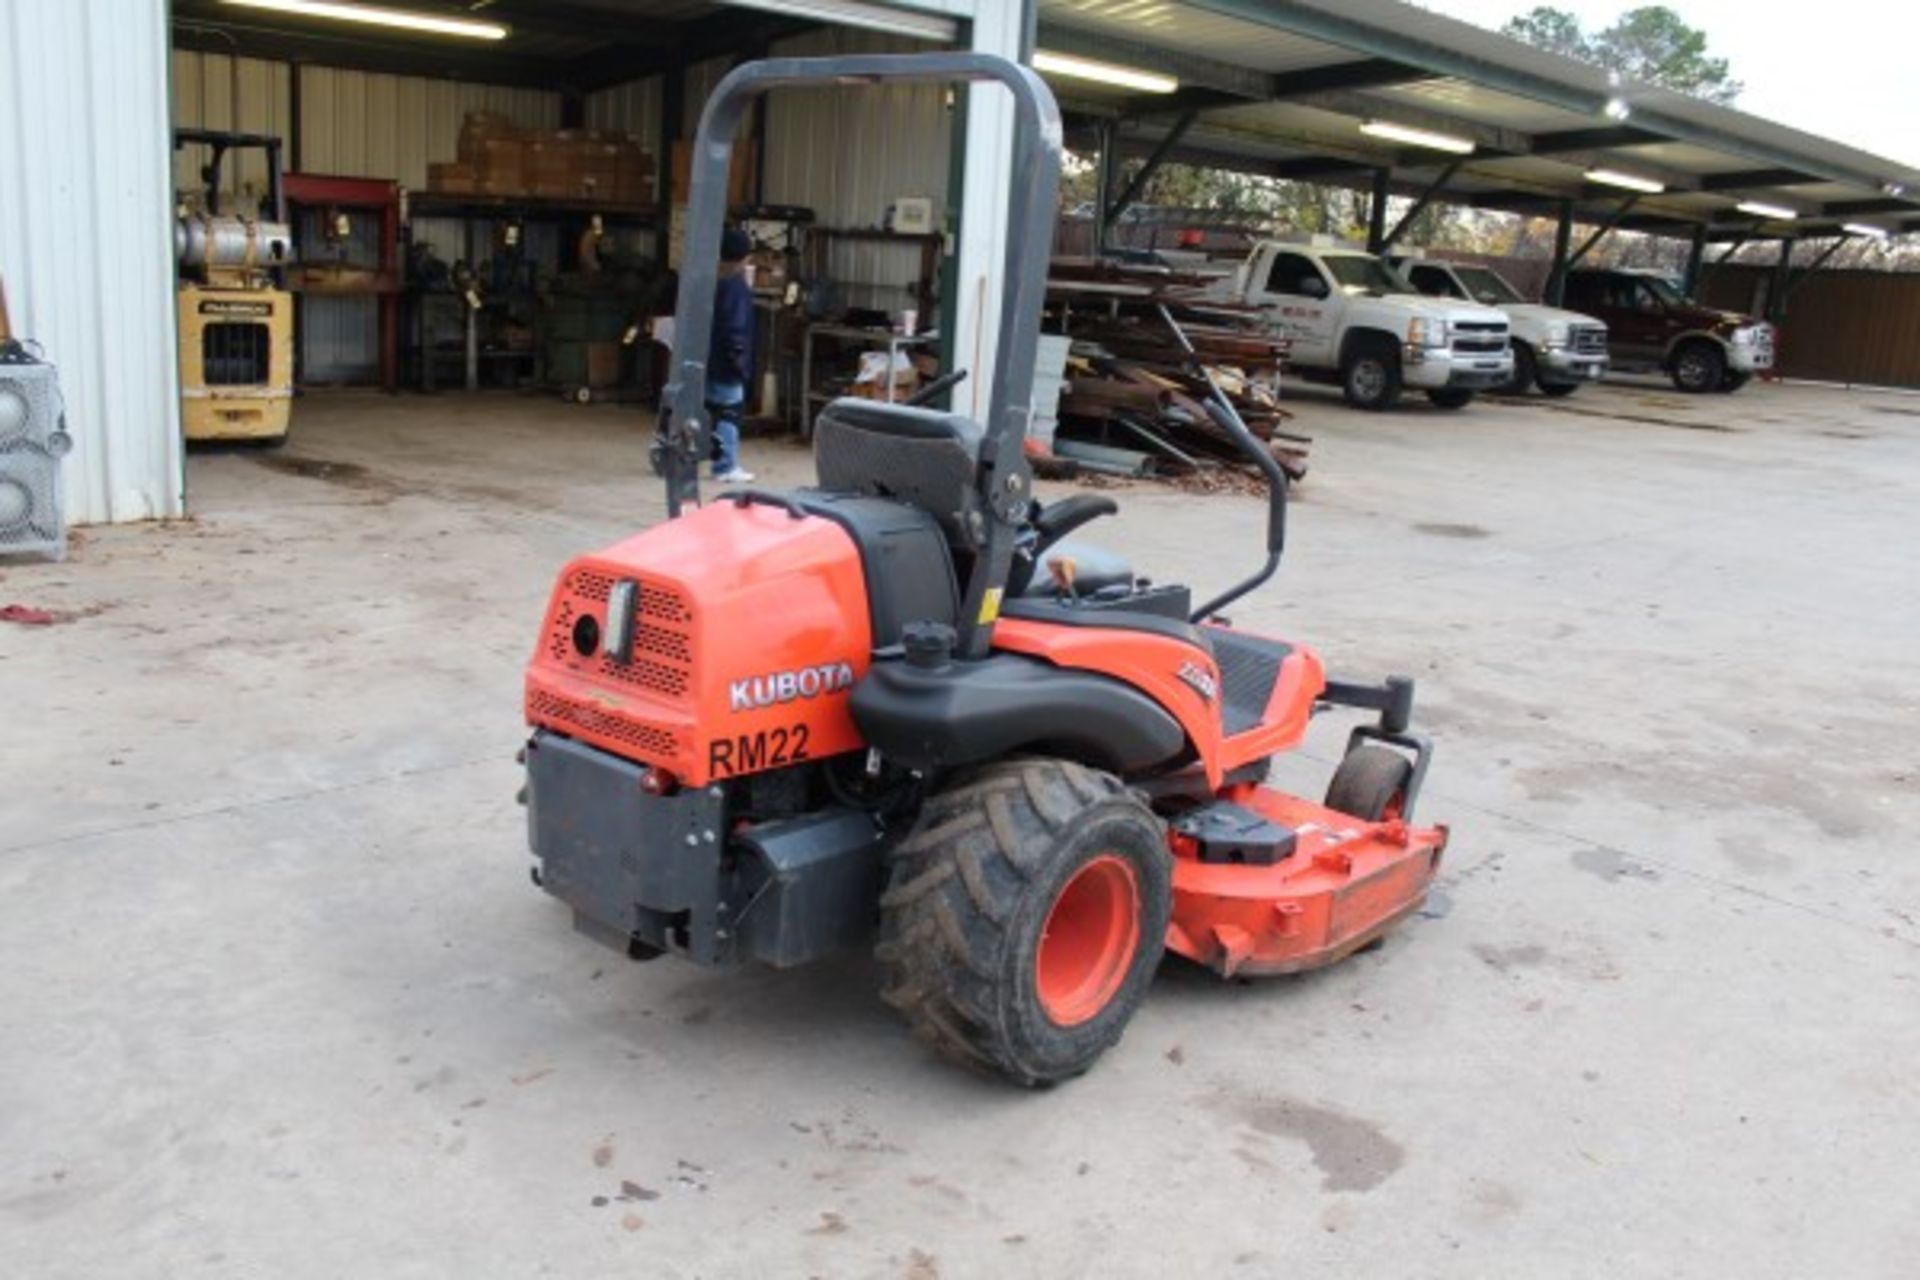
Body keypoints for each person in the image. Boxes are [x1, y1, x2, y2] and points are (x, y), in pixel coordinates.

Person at [707, 227, 756, 484]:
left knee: (710, 410)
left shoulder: (712, 280)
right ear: (744, 257)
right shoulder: (737, 287)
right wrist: (738, 360)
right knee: (730, 411)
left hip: (709, 358)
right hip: (727, 361)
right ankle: (725, 466)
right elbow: (735, 327)